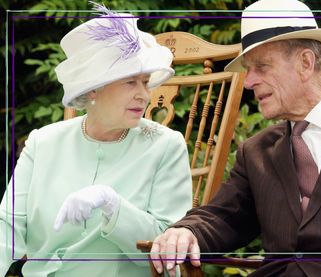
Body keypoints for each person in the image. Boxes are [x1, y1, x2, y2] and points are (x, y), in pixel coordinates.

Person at [149, 0, 321, 276]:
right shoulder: (255, 152)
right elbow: (224, 217)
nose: (249, 81)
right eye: (248, 69)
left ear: (305, 63)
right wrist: (185, 231)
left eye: (261, 66)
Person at [0, 3, 192, 276]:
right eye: (130, 82)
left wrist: (114, 205)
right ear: (92, 90)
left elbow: (167, 248)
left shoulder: (166, 146)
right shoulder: (42, 142)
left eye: (145, 81)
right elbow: (8, 225)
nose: (144, 95)